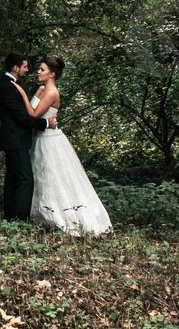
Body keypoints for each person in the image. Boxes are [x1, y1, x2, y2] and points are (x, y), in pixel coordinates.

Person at [16, 56, 113, 236]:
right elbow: (32, 111)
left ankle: (60, 217)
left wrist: (23, 94)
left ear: (52, 74)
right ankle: (41, 215)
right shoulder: (43, 90)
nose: (38, 71)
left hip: (50, 139)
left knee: (54, 176)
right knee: (41, 174)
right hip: (41, 137)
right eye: (39, 69)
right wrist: (36, 96)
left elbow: (33, 115)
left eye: (42, 69)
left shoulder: (52, 93)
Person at [0, 52, 55, 221]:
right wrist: (46, 124)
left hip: (14, 139)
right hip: (15, 140)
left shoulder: (9, 85)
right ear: (15, 67)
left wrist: (35, 97)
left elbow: (25, 111)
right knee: (25, 179)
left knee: (13, 179)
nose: (28, 69)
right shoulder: (8, 87)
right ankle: (20, 219)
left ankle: (10, 217)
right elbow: (22, 117)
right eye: (25, 66)